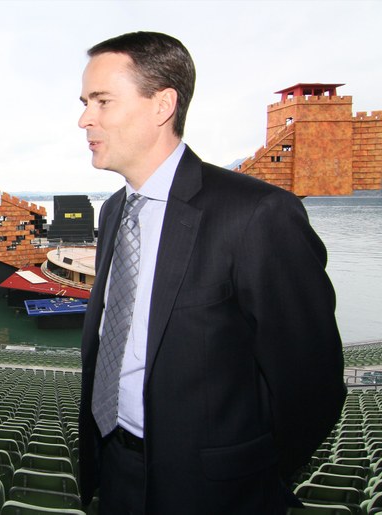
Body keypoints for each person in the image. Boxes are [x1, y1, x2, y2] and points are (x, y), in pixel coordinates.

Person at [77, 32, 346, 514]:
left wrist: (254, 476)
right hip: (116, 475)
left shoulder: (257, 214)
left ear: (162, 105)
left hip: (216, 492)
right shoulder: (115, 211)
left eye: (102, 101)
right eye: (84, 102)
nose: (84, 119)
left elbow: (313, 383)